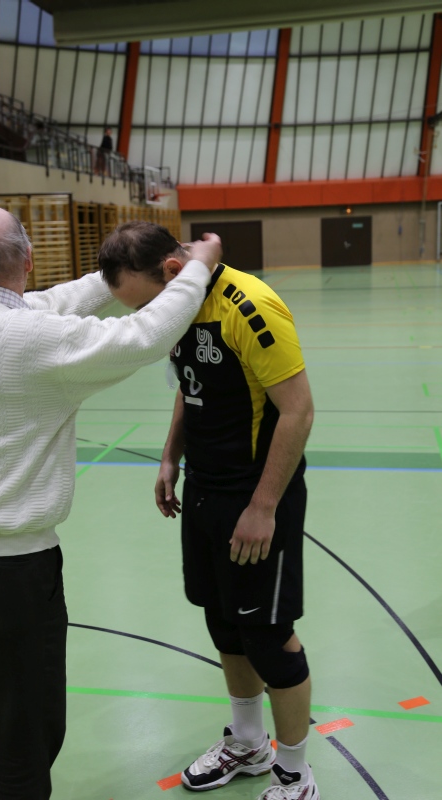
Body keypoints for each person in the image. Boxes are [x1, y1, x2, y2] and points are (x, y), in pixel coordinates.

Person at [0, 205, 221, 800]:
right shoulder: (36, 342)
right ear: (29, 260)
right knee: (28, 734)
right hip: (10, 572)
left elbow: (47, 304)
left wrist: (114, 275)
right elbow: (146, 335)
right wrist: (198, 268)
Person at [101, 221, 319, 800]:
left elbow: (298, 411)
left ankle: (296, 774)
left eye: (144, 304)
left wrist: (264, 506)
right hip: (204, 489)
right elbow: (189, 383)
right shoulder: (182, 303)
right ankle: (248, 744)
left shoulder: (250, 306)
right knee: (223, 621)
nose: (146, 317)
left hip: (255, 494)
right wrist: (170, 456)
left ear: (173, 271)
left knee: (268, 636)